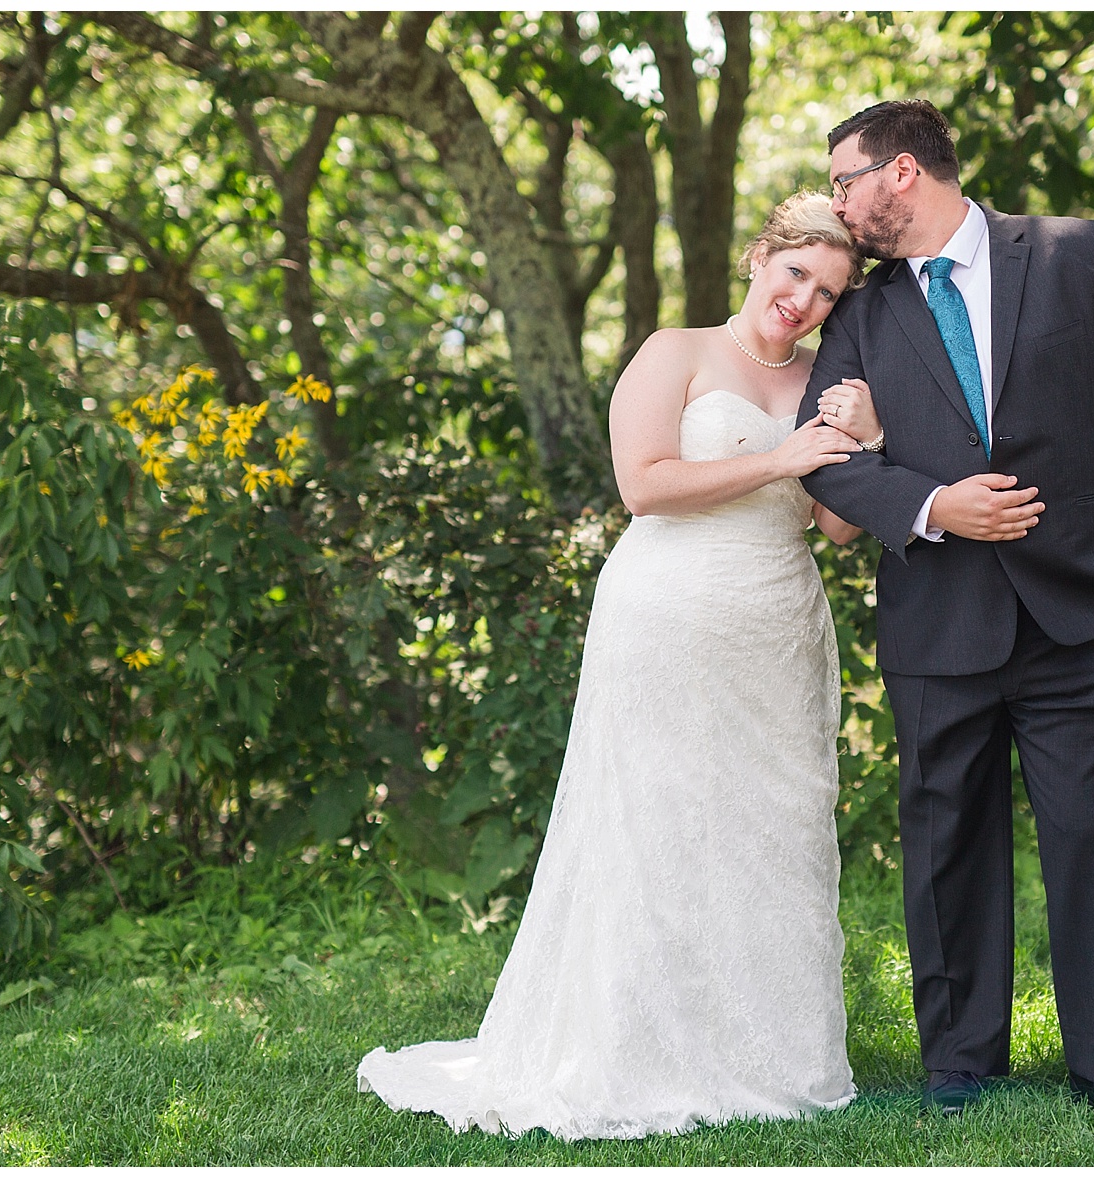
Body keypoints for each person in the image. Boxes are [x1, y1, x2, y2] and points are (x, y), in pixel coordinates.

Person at [357, 193, 883, 1140]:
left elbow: (839, 525)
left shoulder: (825, 381)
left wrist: (868, 438)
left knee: (776, 823)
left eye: (828, 292)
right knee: (659, 817)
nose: (804, 300)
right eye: (795, 273)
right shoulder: (673, 352)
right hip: (666, 615)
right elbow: (644, 487)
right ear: (761, 259)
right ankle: (635, 1047)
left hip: (777, 625)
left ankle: (772, 1054)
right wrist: (783, 460)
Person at [798, 100, 1094, 1118]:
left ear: (899, 173)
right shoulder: (861, 312)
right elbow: (826, 464)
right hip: (940, 620)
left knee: (1092, 846)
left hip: (1092, 618)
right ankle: (961, 1064)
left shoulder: (1076, 255)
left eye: (845, 178)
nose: (836, 198)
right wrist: (935, 505)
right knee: (947, 846)